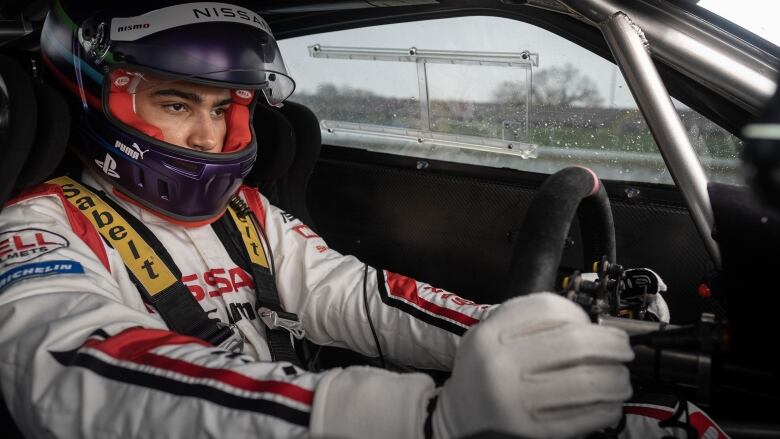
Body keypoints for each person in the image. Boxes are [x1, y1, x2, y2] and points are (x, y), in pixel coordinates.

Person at [0, 1, 725, 438]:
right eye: (177, 103)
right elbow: (82, 372)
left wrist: (538, 339)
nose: (212, 141)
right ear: (98, 94)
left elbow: (357, 296)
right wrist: (416, 421)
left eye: (225, 108)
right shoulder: (40, 226)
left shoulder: (244, 210)